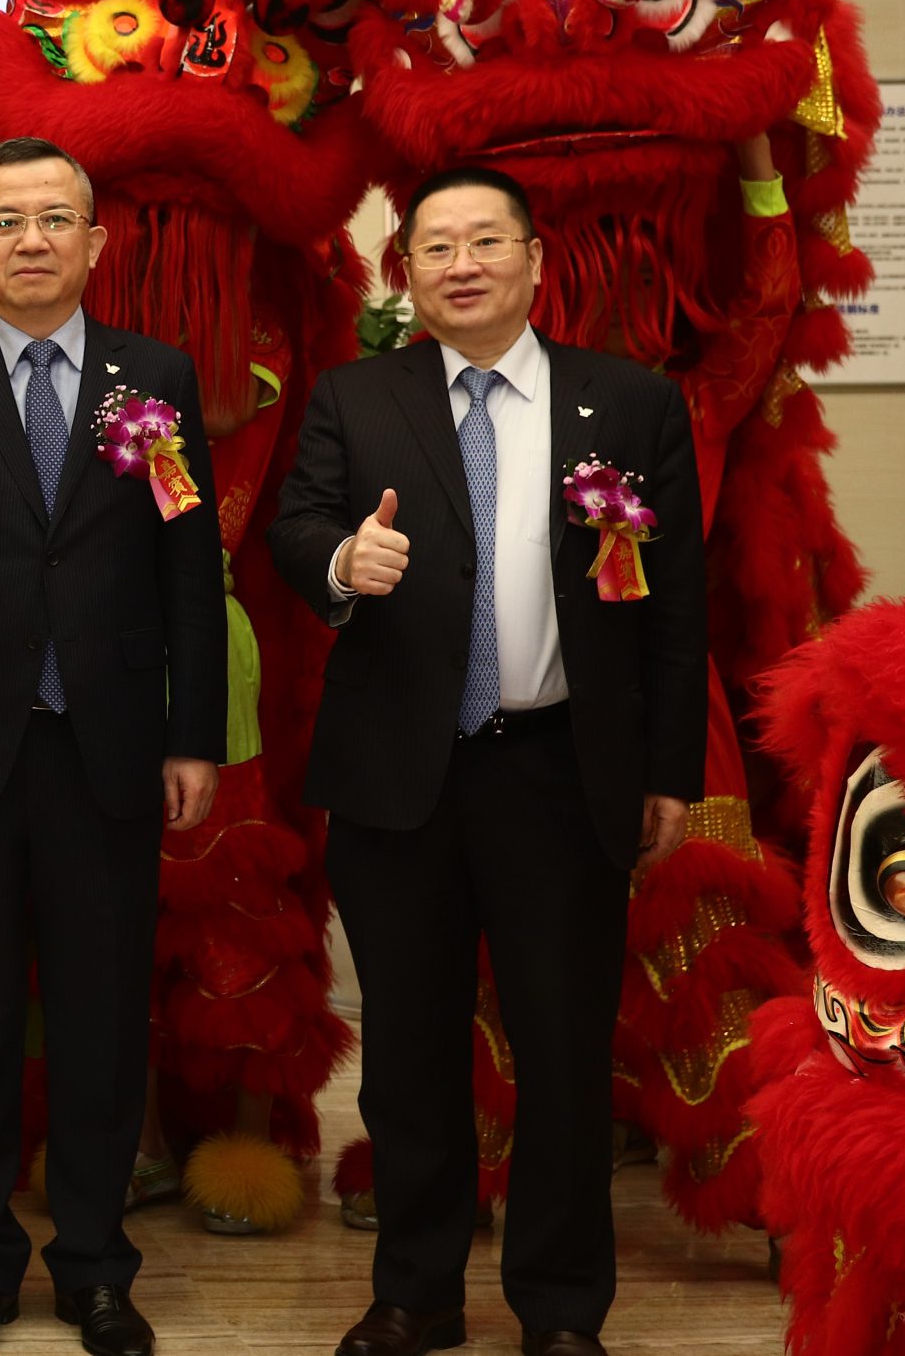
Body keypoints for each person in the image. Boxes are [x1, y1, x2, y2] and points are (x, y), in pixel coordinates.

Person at [268, 164, 708, 1356]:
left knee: (563, 1053)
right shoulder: (354, 397)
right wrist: (339, 562)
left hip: (559, 773)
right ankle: (414, 1294)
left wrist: (669, 770)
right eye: (435, 247)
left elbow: (675, 609)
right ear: (404, 271)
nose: (460, 265)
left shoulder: (627, 404)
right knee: (408, 1054)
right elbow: (294, 526)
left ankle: (560, 1311)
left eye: (484, 242)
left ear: (533, 260)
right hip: (397, 775)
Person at [0, 137, 224, 1356]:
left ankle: (96, 1265)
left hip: (105, 745)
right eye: (3, 222)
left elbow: (187, 564)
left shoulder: (153, 375)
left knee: (101, 1017)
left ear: (94, 242)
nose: (29, 240)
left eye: (53, 219)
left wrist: (191, 735)